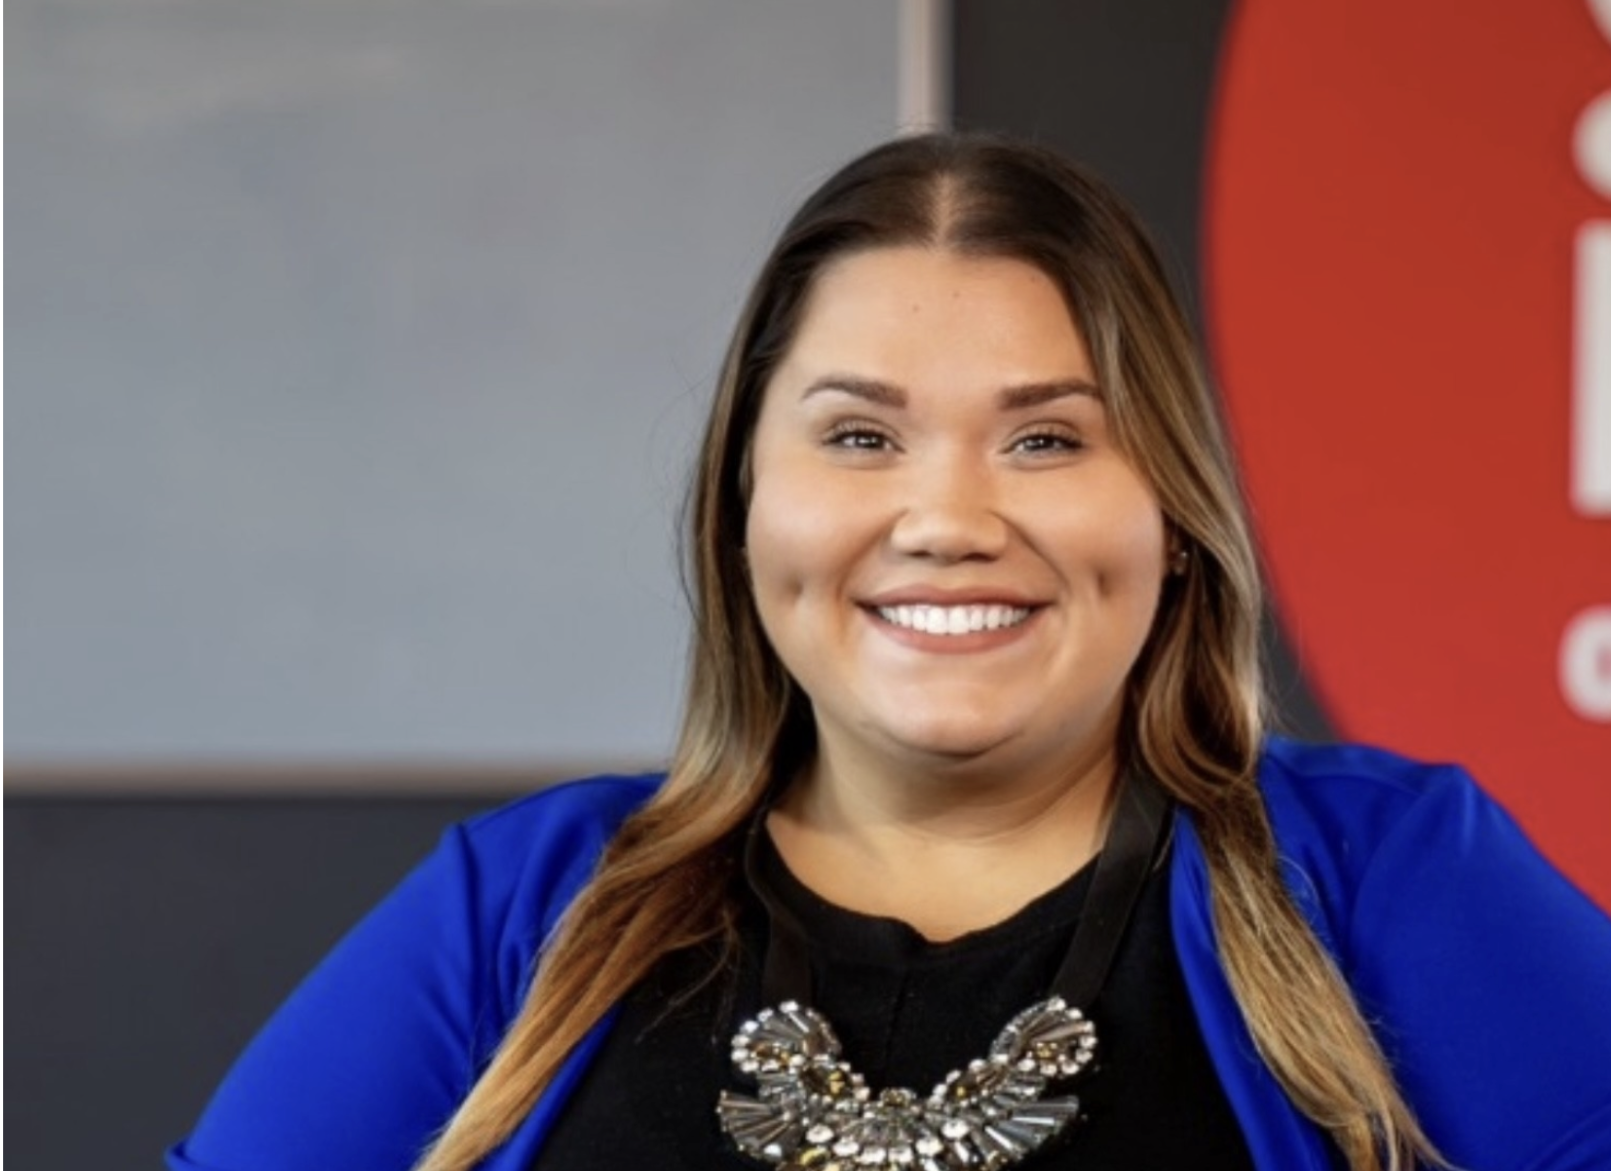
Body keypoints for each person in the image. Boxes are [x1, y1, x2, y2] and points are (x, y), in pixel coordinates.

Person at [168, 134, 1611, 1171]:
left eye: (1045, 439)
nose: (946, 519)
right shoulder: (522, 912)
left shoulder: (1390, 879)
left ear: (1169, 514)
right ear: (746, 502)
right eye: (859, 437)